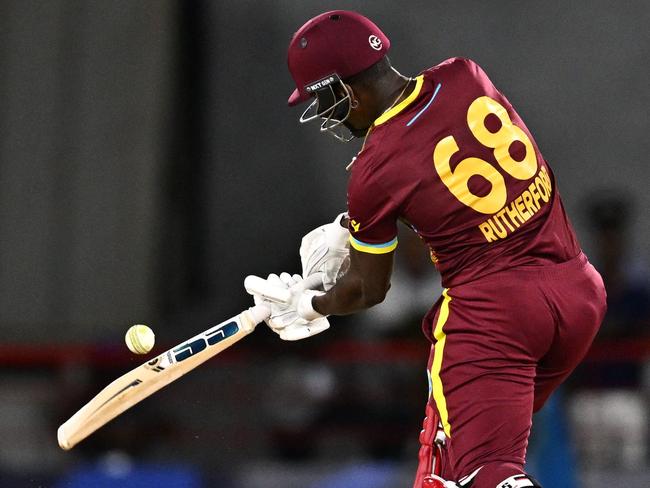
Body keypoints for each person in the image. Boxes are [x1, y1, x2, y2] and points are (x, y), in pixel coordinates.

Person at [246, 10, 607, 488]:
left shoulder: (374, 170)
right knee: (451, 467)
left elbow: (368, 290)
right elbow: (443, 167)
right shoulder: (465, 74)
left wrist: (311, 303)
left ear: (346, 90)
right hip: (577, 292)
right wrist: (352, 227)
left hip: (495, 316)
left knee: (482, 472)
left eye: (322, 99)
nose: (326, 113)